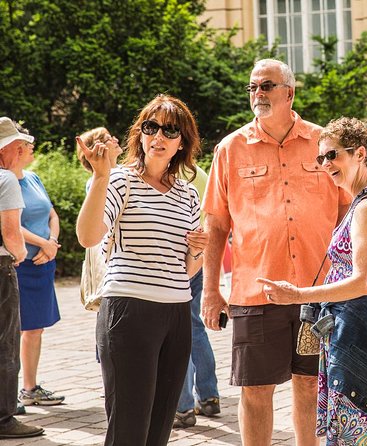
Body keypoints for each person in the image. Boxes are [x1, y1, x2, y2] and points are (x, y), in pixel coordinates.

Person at [200, 58, 350, 446]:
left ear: (290, 92)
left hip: (319, 293)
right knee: (254, 389)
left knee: (310, 384)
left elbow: (349, 212)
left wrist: (353, 282)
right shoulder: (230, 149)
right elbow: (216, 225)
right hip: (257, 291)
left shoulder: (325, 144)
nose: (258, 94)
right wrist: (211, 290)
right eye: (253, 87)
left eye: (266, 85)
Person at [257, 116, 367, 445]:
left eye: (333, 155)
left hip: (360, 333)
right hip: (354, 331)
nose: (326, 164)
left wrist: (297, 294)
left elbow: (362, 282)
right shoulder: (365, 202)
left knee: (358, 437)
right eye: (321, 157)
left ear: (361, 154)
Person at [76, 94, 209, 446]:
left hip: (177, 313)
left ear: (183, 142)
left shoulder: (188, 195)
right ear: (141, 133)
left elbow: (189, 268)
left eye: (170, 130)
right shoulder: (120, 180)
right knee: (129, 430)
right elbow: (88, 236)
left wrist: (198, 252)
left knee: (159, 429)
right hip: (128, 311)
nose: (159, 137)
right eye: (152, 127)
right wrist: (101, 176)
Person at [8, 123, 65, 410]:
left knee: (35, 329)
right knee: (11, 330)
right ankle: (7, 393)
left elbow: (52, 213)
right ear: (15, 150)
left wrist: (51, 242)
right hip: (19, 264)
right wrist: (43, 244)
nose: (32, 147)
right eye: (27, 145)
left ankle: (29, 388)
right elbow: (10, 224)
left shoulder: (33, 178)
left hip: (43, 263)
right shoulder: (4, 182)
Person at [0, 116, 43, 439]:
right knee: (5, 343)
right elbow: (11, 232)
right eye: (19, 148)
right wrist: (20, 254)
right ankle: (4, 417)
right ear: (10, 150)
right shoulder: (6, 180)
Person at [173, 164, 221, 429]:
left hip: (177, 262)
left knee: (176, 333)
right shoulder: (199, 174)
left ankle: (181, 408)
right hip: (200, 257)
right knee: (194, 327)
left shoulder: (162, 176)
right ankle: (209, 395)